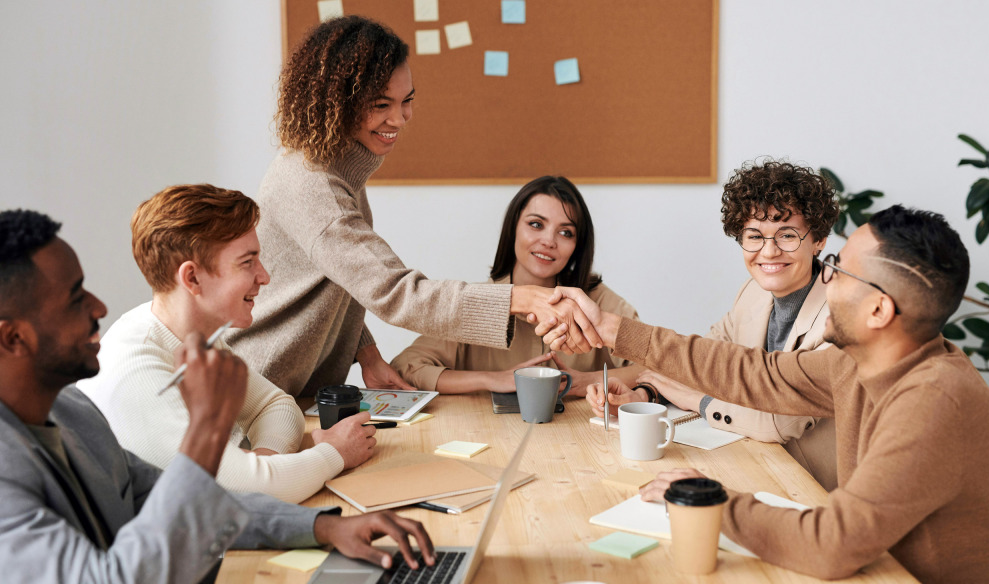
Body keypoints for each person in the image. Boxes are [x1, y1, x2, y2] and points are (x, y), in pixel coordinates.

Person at [549, 205, 989, 583]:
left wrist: (710, 500)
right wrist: (612, 329)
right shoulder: (860, 362)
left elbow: (831, 544)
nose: (824, 277)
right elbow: (756, 374)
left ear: (879, 309)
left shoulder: (936, 400)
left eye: (836, 269)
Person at [0, 209, 435, 583]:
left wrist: (322, 528)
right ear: (14, 337)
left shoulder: (72, 411)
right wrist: (209, 429)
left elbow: (187, 501)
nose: (99, 307)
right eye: (75, 299)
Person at [224, 16, 598, 397]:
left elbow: (343, 278)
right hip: (257, 390)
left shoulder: (335, 168)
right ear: (339, 102)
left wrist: (367, 353)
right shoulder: (315, 186)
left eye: (407, 101)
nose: (399, 118)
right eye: (381, 104)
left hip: (289, 392)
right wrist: (518, 297)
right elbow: (396, 292)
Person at [78, 185, 375, 504]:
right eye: (247, 263)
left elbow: (275, 405)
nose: (264, 277)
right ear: (191, 279)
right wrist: (333, 454)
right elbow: (243, 494)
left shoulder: (193, 334)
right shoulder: (137, 371)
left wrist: (264, 465)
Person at [587, 160, 840, 490]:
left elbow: (777, 422)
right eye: (754, 236)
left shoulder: (839, 315)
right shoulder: (752, 293)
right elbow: (702, 362)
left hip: (815, 489)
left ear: (818, 239)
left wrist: (699, 401)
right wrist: (645, 393)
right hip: (755, 466)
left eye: (787, 235)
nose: (769, 251)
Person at [391, 176, 640, 395]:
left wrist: (592, 380)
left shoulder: (598, 302)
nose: (548, 241)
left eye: (566, 233)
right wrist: (492, 379)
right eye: (536, 224)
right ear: (513, 229)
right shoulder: (477, 303)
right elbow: (406, 367)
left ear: (578, 246)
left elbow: (659, 367)